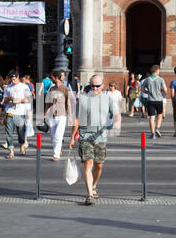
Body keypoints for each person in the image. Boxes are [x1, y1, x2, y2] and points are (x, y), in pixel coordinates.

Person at [69, 75, 121, 205]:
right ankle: (89, 195)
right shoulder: (83, 99)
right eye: (92, 85)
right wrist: (72, 137)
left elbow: (116, 114)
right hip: (85, 136)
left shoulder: (107, 98)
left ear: (102, 86)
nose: (95, 88)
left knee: (99, 165)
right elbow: (77, 120)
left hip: (100, 136)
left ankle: (93, 185)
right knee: (88, 164)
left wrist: (116, 123)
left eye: (97, 86)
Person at [3, 70, 32, 159]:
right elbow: (4, 101)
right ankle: (11, 151)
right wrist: (9, 99)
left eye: (14, 79)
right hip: (10, 112)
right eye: (11, 80)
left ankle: (22, 145)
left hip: (20, 112)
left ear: (18, 77)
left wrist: (20, 100)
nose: (13, 81)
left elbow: (29, 99)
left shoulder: (24, 87)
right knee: (9, 132)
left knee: (20, 132)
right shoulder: (8, 87)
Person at [45, 71, 72, 162]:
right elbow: (48, 102)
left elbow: (68, 103)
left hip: (61, 115)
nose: (51, 79)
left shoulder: (65, 89)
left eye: (52, 77)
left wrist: (71, 115)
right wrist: (45, 113)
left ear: (56, 77)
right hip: (52, 115)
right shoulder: (51, 89)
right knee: (53, 136)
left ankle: (56, 155)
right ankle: (59, 148)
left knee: (58, 136)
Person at [141, 65, 167, 139]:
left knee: (151, 117)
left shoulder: (147, 79)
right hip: (159, 100)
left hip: (150, 100)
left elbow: (142, 89)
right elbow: (165, 89)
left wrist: (148, 92)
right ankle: (157, 128)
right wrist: (163, 93)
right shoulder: (161, 79)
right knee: (159, 115)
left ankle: (152, 134)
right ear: (157, 70)